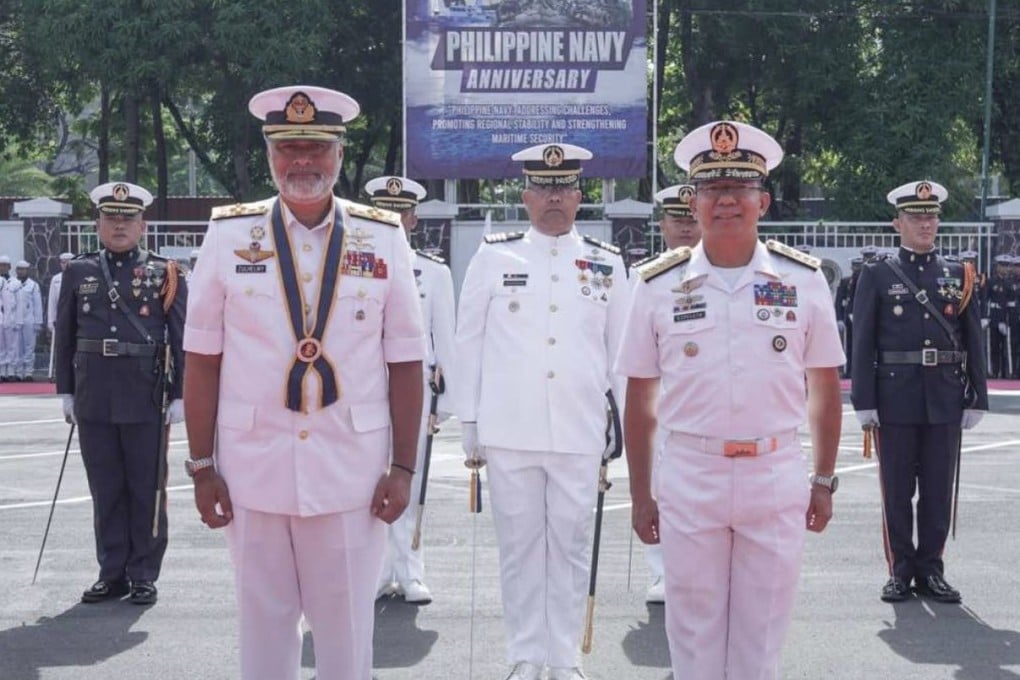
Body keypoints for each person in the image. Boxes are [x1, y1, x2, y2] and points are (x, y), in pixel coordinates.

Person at [183, 85, 426, 680]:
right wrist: (201, 464)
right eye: (288, 146)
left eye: (316, 147)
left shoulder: (383, 236)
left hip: (352, 473)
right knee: (263, 637)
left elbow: (406, 360)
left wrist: (403, 467)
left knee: (346, 640)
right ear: (270, 154)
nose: (302, 161)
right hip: (252, 470)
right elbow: (201, 358)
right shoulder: (228, 235)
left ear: (340, 154)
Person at [615, 120, 844, 680]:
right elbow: (640, 398)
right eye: (713, 191)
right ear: (692, 203)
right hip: (692, 473)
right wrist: (641, 494)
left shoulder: (803, 280)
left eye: (739, 190)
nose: (726, 203)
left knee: (760, 639)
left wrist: (823, 478)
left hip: (774, 471)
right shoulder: (655, 285)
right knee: (692, 637)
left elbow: (825, 387)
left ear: (762, 200)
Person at [456, 142, 630, 680]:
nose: (554, 198)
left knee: (570, 547)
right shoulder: (494, 256)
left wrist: (622, 430)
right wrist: (469, 421)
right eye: (544, 188)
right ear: (526, 196)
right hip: (510, 429)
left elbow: (621, 355)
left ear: (580, 197)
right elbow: (469, 342)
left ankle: (563, 658)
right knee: (520, 548)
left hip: (579, 430)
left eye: (565, 188)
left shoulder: (607, 263)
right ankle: (526, 655)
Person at [850, 180, 989, 604]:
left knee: (937, 489)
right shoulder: (876, 275)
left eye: (931, 216)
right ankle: (900, 570)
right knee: (896, 489)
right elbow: (863, 342)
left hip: (944, 396)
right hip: (895, 397)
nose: (925, 223)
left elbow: (972, 340)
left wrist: (977, 395)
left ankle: (931, 568)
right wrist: (863, 400)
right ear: (898, 223)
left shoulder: (957, 274)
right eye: (916, 216)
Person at [53, 181, 187, 605]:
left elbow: (180, 336)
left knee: (146, 488)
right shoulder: (78, 271)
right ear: (98, 224)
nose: (119, 226)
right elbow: (65, 335)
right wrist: (66, 391)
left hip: (145, 395)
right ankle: (112, 571)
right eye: (111, 218)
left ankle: (144, 572)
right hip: (94, 394)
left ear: (142, 225)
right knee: (105, 486)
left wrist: (181, 394)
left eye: (127, 218)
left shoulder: (166, 271)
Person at [365, 174, 456, 605]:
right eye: (385, 212)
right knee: (365, 480)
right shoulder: (353, 268)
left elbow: (447, 340)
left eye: (401, 213)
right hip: (362, 389)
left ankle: (411, 570)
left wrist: (448, 402)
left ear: (414, 219)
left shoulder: (433, 273)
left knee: (410, 479)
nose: (394, 220)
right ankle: (376, 570)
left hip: (415, 391)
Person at [640, 182, 702, 605]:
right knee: (657, 486)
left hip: (701, 399)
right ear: (662, 225)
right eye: (676, 219)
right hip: (659, 400)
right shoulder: (643, 278)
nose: (685, 227)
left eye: (690, 217)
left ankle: (702, 571)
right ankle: (663, 572)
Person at [11, 260, 42, 381]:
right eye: (19, 269)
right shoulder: (11, 284)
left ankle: (28, 371)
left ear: (27, 270)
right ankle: (18, 372)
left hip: (30, 320)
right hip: (15, 320)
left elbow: (37, 304)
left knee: (29, 346)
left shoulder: (33, 285)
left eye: (23, 269)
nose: (21, 271)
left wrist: (38, 322)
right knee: (17, 346)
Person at [48, 252, 75, 379]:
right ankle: (60, 375)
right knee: (63, 348)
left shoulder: (79, 277)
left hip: (76, 318)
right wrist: (51, 320)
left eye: (68, 262)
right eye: (63, 262)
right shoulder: (56, 279)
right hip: (62, 318)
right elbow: (52, 302)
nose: (66, 265)